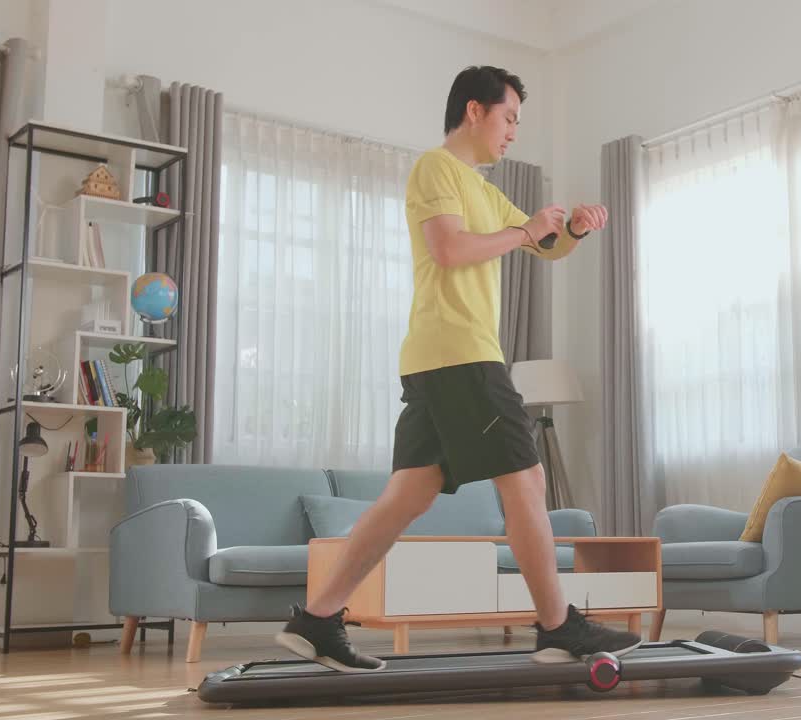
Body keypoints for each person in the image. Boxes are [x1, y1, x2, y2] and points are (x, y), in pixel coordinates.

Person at [274, 65, 641, 673]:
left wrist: (569, 229)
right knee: (525, 481)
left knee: (406, 496)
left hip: (439, 357)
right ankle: (556, 627)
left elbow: (538, 245)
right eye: (510, 118)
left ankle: (315, 620)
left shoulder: (483, 187)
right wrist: (523, 229)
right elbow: (449, 249)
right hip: (460, 353)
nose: (514, 133)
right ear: (475, 110)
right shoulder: (435, 169)